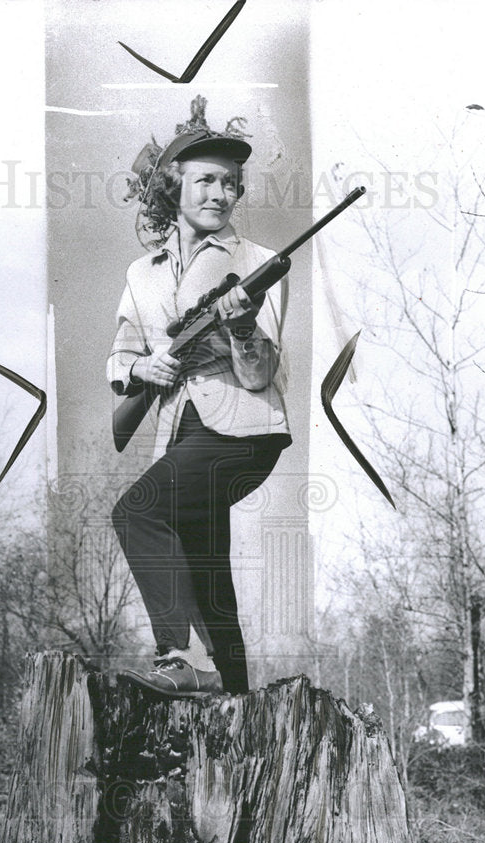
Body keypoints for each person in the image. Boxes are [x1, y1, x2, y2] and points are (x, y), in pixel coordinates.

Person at [108, 100, 291, 698]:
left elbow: (260, 375)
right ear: (174, 186)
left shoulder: (258, 263)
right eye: (207, 180)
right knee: (204, 561)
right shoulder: (142, 274)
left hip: (244, 430)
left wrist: (241, 327)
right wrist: (145, 368)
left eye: (231, 183)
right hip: (179, 429)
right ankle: (232, 692)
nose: (221, 194)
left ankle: (178, 655)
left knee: (137, 511)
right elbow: (120, 357)